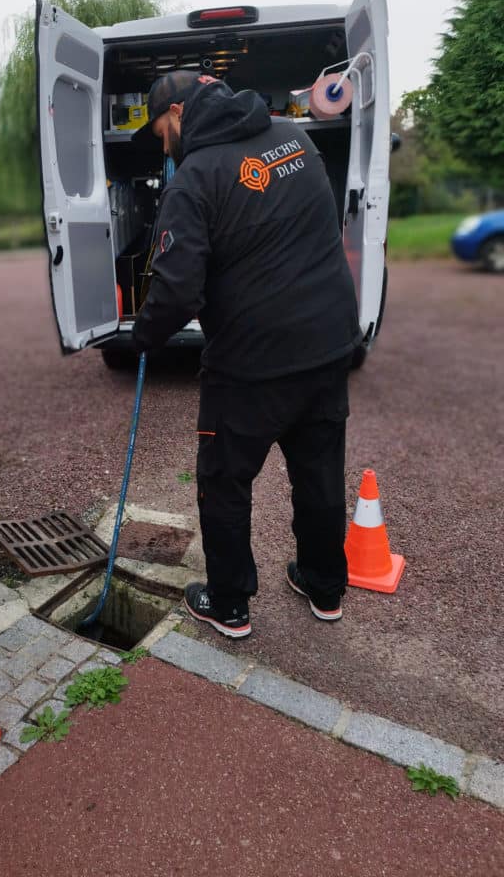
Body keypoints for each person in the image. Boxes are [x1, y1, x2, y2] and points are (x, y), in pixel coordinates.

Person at [131, 70, 361, 638]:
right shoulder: (294, 138)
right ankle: (324, 584)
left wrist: (142, 337)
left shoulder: (195, 178)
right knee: (320, 474)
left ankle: (229, 603)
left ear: (179, 113)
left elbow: (178, 288)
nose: (165, 146)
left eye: (162, 132)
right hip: (329, 346)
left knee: (225, 482)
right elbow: (317, 226)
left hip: (251, 366)